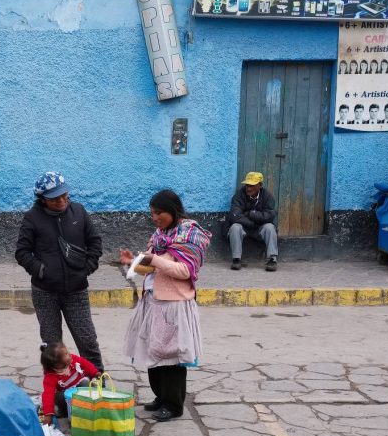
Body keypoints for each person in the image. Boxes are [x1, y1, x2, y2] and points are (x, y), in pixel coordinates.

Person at [119, 190, 210, 421]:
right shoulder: (159, 236)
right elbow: (148, 267)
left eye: (159, 213)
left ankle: (174, 404)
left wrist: (154, 260)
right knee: (154, 351)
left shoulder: (190, 235)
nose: (155, 217)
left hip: (173, 304)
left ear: (172, 210)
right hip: (152, 301)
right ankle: (160, 397)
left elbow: (185, 271)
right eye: (152, 213)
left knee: (171, 357)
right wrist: (133, 262)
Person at [15, 172, 104, 372]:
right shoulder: (32, 218)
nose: (62, 201)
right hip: (45, 292)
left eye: (64, 195)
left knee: (87, 339)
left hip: (77, 290)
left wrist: (87, 268)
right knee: (52, 346)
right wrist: (40, 270)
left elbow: (95, 242)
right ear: (43, 200)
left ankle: (98, 380)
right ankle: (56, 386)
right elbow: (22, 252)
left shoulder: (79, 212)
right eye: (55, 198)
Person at [226, 171, 278, 271]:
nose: (248, 188)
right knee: (235, 227)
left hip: (259, 228)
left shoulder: (268, 197)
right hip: (245, 227)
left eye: (252, 185)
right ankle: (236, 259)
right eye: (247, 185)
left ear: (260, 185)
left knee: (270, 227)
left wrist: (251, 214)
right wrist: (253, 222)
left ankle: (272, 260)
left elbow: (269, 216)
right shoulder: (239, 195)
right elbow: (234, 215)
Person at [39, 341, 98, 426]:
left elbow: (85, 363)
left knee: (86, 384)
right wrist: (48, 414)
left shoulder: (73, 360)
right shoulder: (50, 377)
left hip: (79, 384)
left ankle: (88, 407)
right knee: (59, 397)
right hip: (66, 393)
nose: (70, 354)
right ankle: (64, 412)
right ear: (57, 364)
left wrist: (95, 373)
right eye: (66, 354)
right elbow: (48, 394)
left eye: (67, 352)